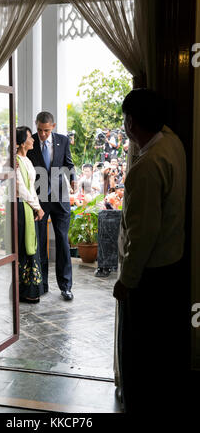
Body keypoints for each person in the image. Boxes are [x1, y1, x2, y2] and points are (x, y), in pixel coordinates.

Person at [113, 89, 187, 413]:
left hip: (149, 276)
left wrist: (126, 281)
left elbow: (142, 235)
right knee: (162, 352)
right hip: (173, 265)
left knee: (139, 354)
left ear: (131, 122)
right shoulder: (172, 143)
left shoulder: (146, 166)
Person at [27, 111, 77, 301]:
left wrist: (72, 178)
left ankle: (66, 286)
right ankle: (42, 285)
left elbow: (69, 163)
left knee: (63, 241)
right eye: (39, 130)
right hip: (39, 200)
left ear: (53, 127)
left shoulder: (63, 141)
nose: (42, 134)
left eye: (46, 131)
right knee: (40, 242)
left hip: (60, 198)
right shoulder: (30, 141)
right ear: (36, 126)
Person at [16, 126, 44, 304]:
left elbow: (31, 188)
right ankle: (23, 290)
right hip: (21, 207)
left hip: (29, 206)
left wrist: (37, 207)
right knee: (24, 249)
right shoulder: (15, 161)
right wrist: (36, 207)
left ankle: (31, 289)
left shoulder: (27, 160)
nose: (33, 139)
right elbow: (21, 189)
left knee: (31, 248)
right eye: (29, 137)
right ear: (21, 142)